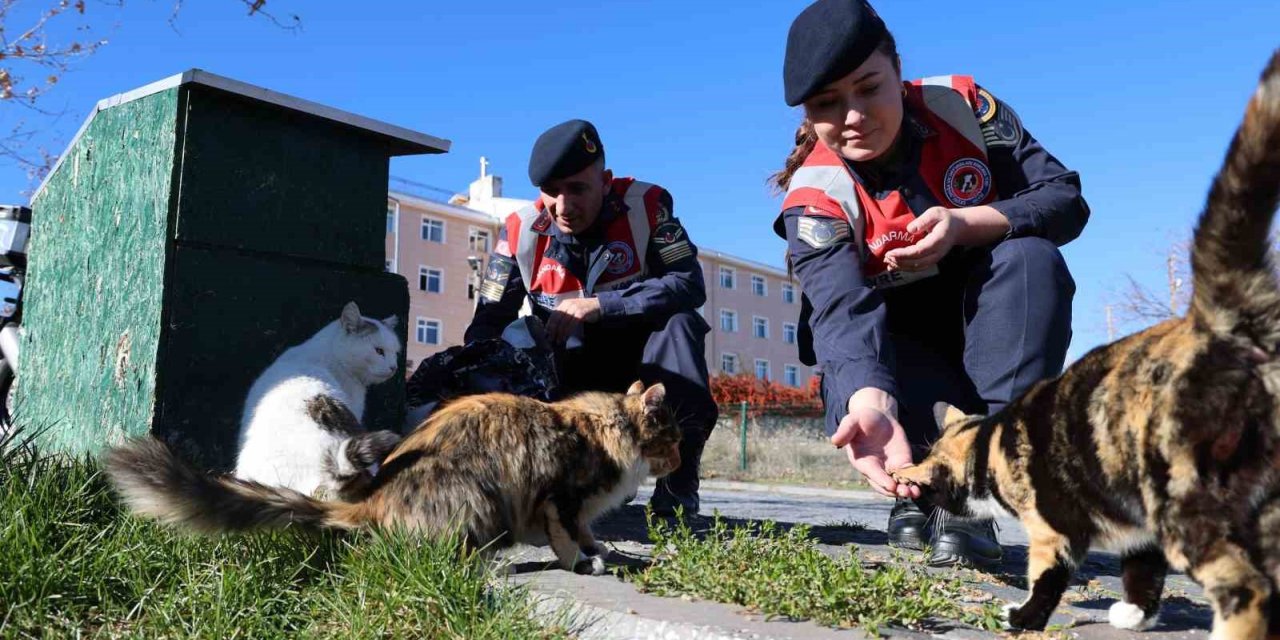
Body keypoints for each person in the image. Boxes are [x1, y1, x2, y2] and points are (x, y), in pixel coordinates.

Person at [773, 0, 1088, 568]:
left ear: (898, 70)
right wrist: (869, 401)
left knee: (1030, 258)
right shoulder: (814, 198)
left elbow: (1064, 199)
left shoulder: (964, 109)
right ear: (807, 115)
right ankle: (919, 489)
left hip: (995, 322)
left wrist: (966, 223)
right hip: (899, 347)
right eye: (827, 104)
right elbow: (841, 313)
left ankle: (978, 487)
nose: (852, 116)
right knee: (890, 404)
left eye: (868, 88)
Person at [465, 119, 718, 516]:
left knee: (681, 324)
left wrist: (602, 304)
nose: (563, 206)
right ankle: (542, 485)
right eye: (551, 192)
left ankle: (677, 486)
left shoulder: (648, 206)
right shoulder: (519, 231)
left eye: (578, 189)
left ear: (605, 181)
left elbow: (689, 283)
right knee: (514, 338)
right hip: (569, 372)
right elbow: (486, 322)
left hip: (644, 367)